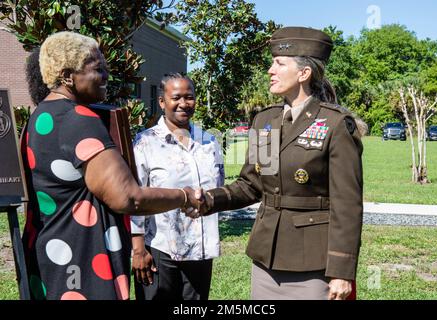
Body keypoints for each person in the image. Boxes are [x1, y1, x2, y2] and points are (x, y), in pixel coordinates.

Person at [21, 31, 202, 300]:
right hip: (84, 260)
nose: (107, 76)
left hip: (48, 256)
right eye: (98, 69)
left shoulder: (37, 118)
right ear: (68, 76)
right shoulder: (79, 119)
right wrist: (184, 196)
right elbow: (128, 197)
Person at [196, 27, 366, 300]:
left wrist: (342, 271)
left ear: (304, 73)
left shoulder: (335, 124)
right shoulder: (265, 121)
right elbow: (251, 185)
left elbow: (347, 205)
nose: (270, 70)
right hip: (266, 260)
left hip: (314, 264)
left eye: (279, 63)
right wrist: (208, 200)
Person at [130, 73, 224, 300]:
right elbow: (135, 198)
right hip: (160, 248)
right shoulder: (145, 143)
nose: (184, 103)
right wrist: (138, 249)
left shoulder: (209, 142)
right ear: (162, 102)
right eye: (176, 97)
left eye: (189, 97)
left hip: (201, 249)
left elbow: (218, 188)